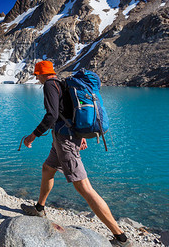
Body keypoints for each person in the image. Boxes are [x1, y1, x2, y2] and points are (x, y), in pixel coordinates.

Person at [20, 60, 131, 246]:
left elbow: (52, 115)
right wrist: (81, 136)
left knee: (84, 188)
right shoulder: (62, 83)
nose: (36, 79)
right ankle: (39, 208)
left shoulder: (49, 85)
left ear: (41, 74)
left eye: (36, 75)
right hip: (64, 137)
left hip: (65, 141)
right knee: (47, 168)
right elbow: (71, 111)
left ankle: (121, 238)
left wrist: (32, 136)